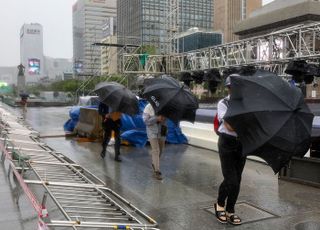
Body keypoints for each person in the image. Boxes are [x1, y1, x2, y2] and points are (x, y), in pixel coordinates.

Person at [214, 75, 246, 225]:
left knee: (237, 179)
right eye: (232, 87)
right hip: (227, 142)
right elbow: (229, 126)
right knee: (230, 179)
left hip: (242, 144)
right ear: (229, 88)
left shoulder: (246, 103)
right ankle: (220, 204)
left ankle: (230, 210)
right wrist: (246, 123)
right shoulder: (223, 103)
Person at [143, 103, 167, 180]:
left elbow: (166, 120)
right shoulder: (148, 107)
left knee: (161, 150)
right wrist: (156, 118)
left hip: (162, 131)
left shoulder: (164, 106)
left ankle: (154, 163)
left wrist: (164, 118)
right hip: (152, 131)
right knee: (156, 150)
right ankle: (157, 171)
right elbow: (146, 121)